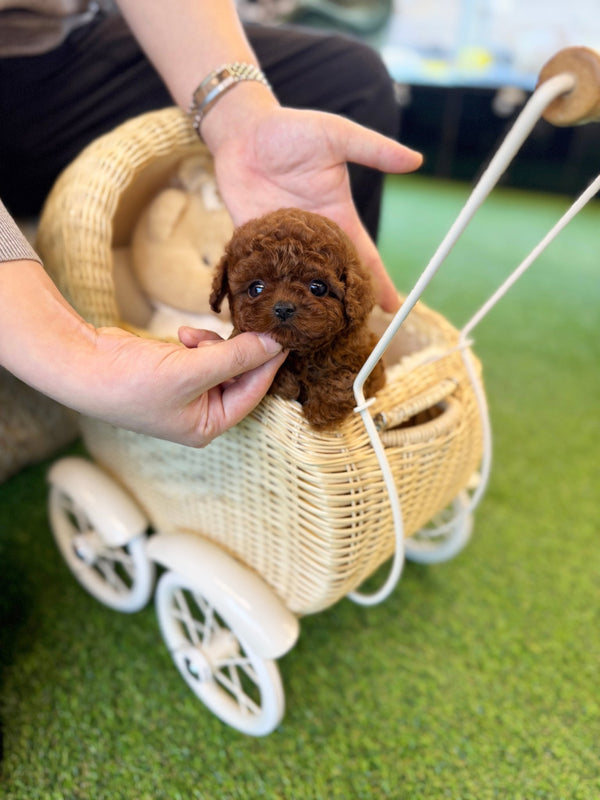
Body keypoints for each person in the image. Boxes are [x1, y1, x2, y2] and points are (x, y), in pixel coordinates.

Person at [0, 0, 422, 449]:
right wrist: (78, 355)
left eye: (318, 289)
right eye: (256, 290)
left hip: (64, 38)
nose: (281, 304)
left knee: (352, 76)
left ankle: (349, 379)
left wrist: (241, 119)